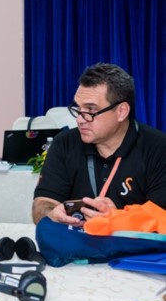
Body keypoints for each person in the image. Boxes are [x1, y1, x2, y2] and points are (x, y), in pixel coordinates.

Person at [32, 63, 166, 225]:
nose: (80, 119)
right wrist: (53, 213)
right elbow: (41, 204)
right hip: (77, 246)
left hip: (136, 248)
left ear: (121, 111)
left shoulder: (158, 148)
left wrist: (118, 219)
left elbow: (162, 218)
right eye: (78, 108)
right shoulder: (64, 143)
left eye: (90, 110)